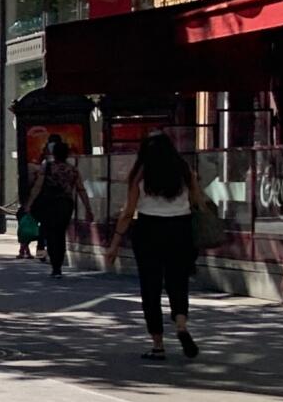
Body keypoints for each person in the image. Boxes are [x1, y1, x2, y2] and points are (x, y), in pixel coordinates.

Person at [105, 130, 208, 362]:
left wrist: (114, 245)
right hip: (180, 230)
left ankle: (158, 344)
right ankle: (181, 325)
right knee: (177, 282)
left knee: (150, 288)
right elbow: (197, 199)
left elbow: (128, 212)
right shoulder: (184, 171)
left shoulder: (140, 175)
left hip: (149, 231)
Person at [23, 135, 90, 278]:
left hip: (49, 204)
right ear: (67, 154)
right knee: (60, 234)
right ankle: (58, 263)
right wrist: (88, 208)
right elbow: (81, 189)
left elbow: (37, 187)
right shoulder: (72, 169)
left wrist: (29, 204)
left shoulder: (47, 167)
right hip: (66, 205)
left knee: (50, 233)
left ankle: (54, 265)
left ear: (54, 153)